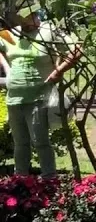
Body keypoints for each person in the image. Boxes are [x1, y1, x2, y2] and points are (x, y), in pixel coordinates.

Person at [0, 10, 79, 176]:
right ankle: (20, 180)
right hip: (14, 99)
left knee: (40, 142)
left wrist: (59, 71)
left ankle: (49, 180)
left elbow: (76, 50)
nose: (26, 22)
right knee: (20, 143)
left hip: (38, 98)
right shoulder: (11, 34)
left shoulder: (48, 32)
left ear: (36, 14)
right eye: (21, 18)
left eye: (29, 17)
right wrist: (7, 69)